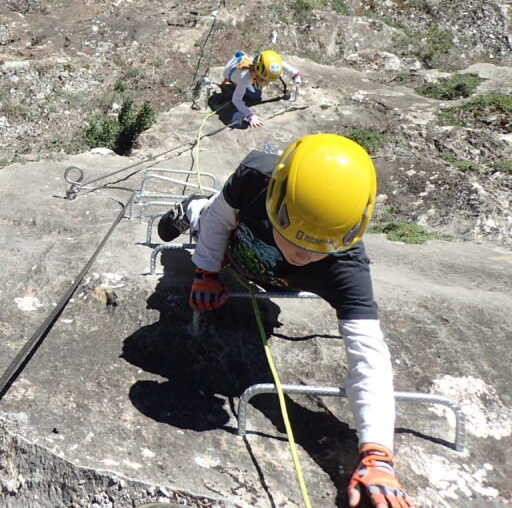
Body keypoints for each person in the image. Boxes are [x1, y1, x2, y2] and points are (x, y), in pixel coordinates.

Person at [157, 133, 412, 508]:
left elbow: (368, 357)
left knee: (223, 228)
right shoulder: (254, 177)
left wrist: (377, 456)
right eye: (294, 240)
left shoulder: (348, 267)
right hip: (234, 244)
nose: (301, 254)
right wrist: (206, 273)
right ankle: (191, 207)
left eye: (315, 250)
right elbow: (219, 223)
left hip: (254, 267)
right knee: (208, 217)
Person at [221, 50, 302, 129]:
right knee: (255, 95)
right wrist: (249, 115)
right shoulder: (245, 78)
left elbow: (280, 64)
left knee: (258, 87)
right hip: (230, 73)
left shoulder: (261, 65)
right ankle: (235, 84)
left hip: (236, 63)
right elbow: (236, 100)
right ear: (256, 73)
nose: (267, 83)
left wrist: (295, 74)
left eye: (269, 80)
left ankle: (254, 81)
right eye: (264, 80)